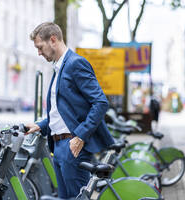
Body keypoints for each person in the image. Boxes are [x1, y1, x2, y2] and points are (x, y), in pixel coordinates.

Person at [26, 22, 114, 199]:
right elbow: (64, 109)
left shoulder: (75, 64)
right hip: (58, 146)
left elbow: (100, 102)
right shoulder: (59, 67)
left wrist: (80, 136)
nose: (39, 52)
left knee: (76, 197)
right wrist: (41, 125)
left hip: (72, 146)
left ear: (53, 40)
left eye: (40, 47)